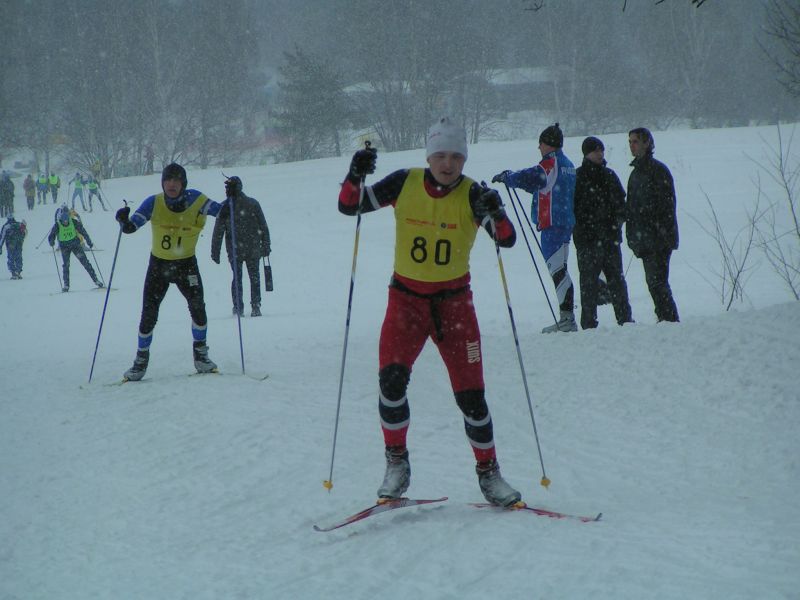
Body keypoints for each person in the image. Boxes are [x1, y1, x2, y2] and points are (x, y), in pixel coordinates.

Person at [337, 117, 522, 507]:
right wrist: (354, 174)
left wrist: (498, 212)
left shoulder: (473, 194)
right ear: (428, 156)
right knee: (391, 384)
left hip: (455, 307)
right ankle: (396, 464)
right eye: (440, 155)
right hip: (406, 303)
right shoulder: (405, 181)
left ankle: (489, 474)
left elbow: (506, 240)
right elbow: (348, 206)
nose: (448, 164)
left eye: (456, 156)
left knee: (472, 398)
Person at [115, 163, 223, 381]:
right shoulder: (153, 202)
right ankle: (140, 361)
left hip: (186, 266)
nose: (172, 184)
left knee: (198, 309)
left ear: (183, 183)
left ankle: (201, 356)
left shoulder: (196, 200)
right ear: (162, 182)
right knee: (148, 314)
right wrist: (123, 220)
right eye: (168, 180)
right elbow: (131, 228)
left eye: (177, 180)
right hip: (159, 267)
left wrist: (234, 195)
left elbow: (225, 213)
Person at [493, 122, 578, 333]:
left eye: (540, 144)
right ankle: (566, 317)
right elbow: (541, 185)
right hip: (563, 221)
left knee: (558, 271)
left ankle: (567, 320)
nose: (538, 148)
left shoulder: (552, 162)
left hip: (553, 224)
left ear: (548, 144)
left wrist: (509, 177)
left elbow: (534, 176)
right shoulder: (567, 163)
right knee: (560, 270)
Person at [573, 136, 633, 329]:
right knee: (588, 284)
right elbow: (572, 209)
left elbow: (621, 206)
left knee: (617, 281)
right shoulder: (577, 177)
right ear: (586, 153)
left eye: (601, 150)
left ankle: (625, 320)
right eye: (595, 151)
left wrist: (615, 225)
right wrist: (583, 230)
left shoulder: (609, 175)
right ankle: (588, 324)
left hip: (609, 240)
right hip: (587, 241)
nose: (600, 154)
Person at [626, 127, 679, 323]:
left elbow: (666, 207)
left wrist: (658, 231)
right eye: (630, 142)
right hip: (644, 239)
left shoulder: (658, 170)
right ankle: (664, 318)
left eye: (636, 141)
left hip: (658, 238)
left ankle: (669, 320)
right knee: (654, 283)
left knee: (658, 283)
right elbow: (631, 208)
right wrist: (632, 236)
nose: (632, 145)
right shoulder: (635, 174)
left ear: (647, 143)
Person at [211, 176, 271, 317]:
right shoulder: (252, 203)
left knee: (237, 278)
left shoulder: (225, 207)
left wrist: (215, 251)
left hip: (235, 249)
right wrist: (266, 245)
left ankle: (238, 307)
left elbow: (218, 232)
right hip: (252, 247)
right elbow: (263, 226)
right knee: (253, 277)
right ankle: (255, 306)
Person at [47, 204, 103, 292]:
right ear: (61, 218)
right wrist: (51, 241)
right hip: (64, 247)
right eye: (64, 220)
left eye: (67, 219)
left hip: (75, 244)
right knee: (66, 265)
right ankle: (66, 285)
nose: (65, 222)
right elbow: (51, 235)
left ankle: (96, 280)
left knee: (85, 262)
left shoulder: (73, 222)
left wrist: (89, 241)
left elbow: (83, 231)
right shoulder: (57, 225)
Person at [0, 215, 27, 279]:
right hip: (19, 243)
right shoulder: (18, 224)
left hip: (10, 245)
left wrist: (0, 246)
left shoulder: (6, 226)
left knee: (11, 258)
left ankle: (13, 273)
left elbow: (2, 237)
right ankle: (18, 272)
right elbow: (25, 233)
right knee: (18, 257)